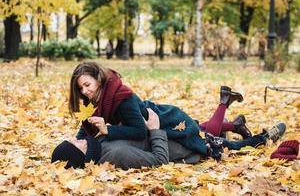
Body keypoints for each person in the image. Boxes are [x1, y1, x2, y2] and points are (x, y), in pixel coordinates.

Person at [69, 61, 268, 160]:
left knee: (205, 141)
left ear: (99, 78)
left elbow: (139, 131)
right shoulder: (97, 100)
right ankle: (236, 124)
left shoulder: (121, 96)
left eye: (87, 85)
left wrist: (108, 130)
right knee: (203, 131)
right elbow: (87, 128)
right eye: (81, 89)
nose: (85, 91)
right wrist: (72, 145)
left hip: (168, 122)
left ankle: (246, 132)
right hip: (157, 124)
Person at [51, 108, 287, 169]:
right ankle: (261, 139)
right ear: (81, 156)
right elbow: (160, 160)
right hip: (185, 148)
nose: (79, 139)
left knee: (203, 127)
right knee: (227, 144)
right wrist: (154, 129)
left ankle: (235, 125)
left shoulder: (97, 144)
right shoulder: (115, 155)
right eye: (77, 144)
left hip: (176, 134)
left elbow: (83, 131)